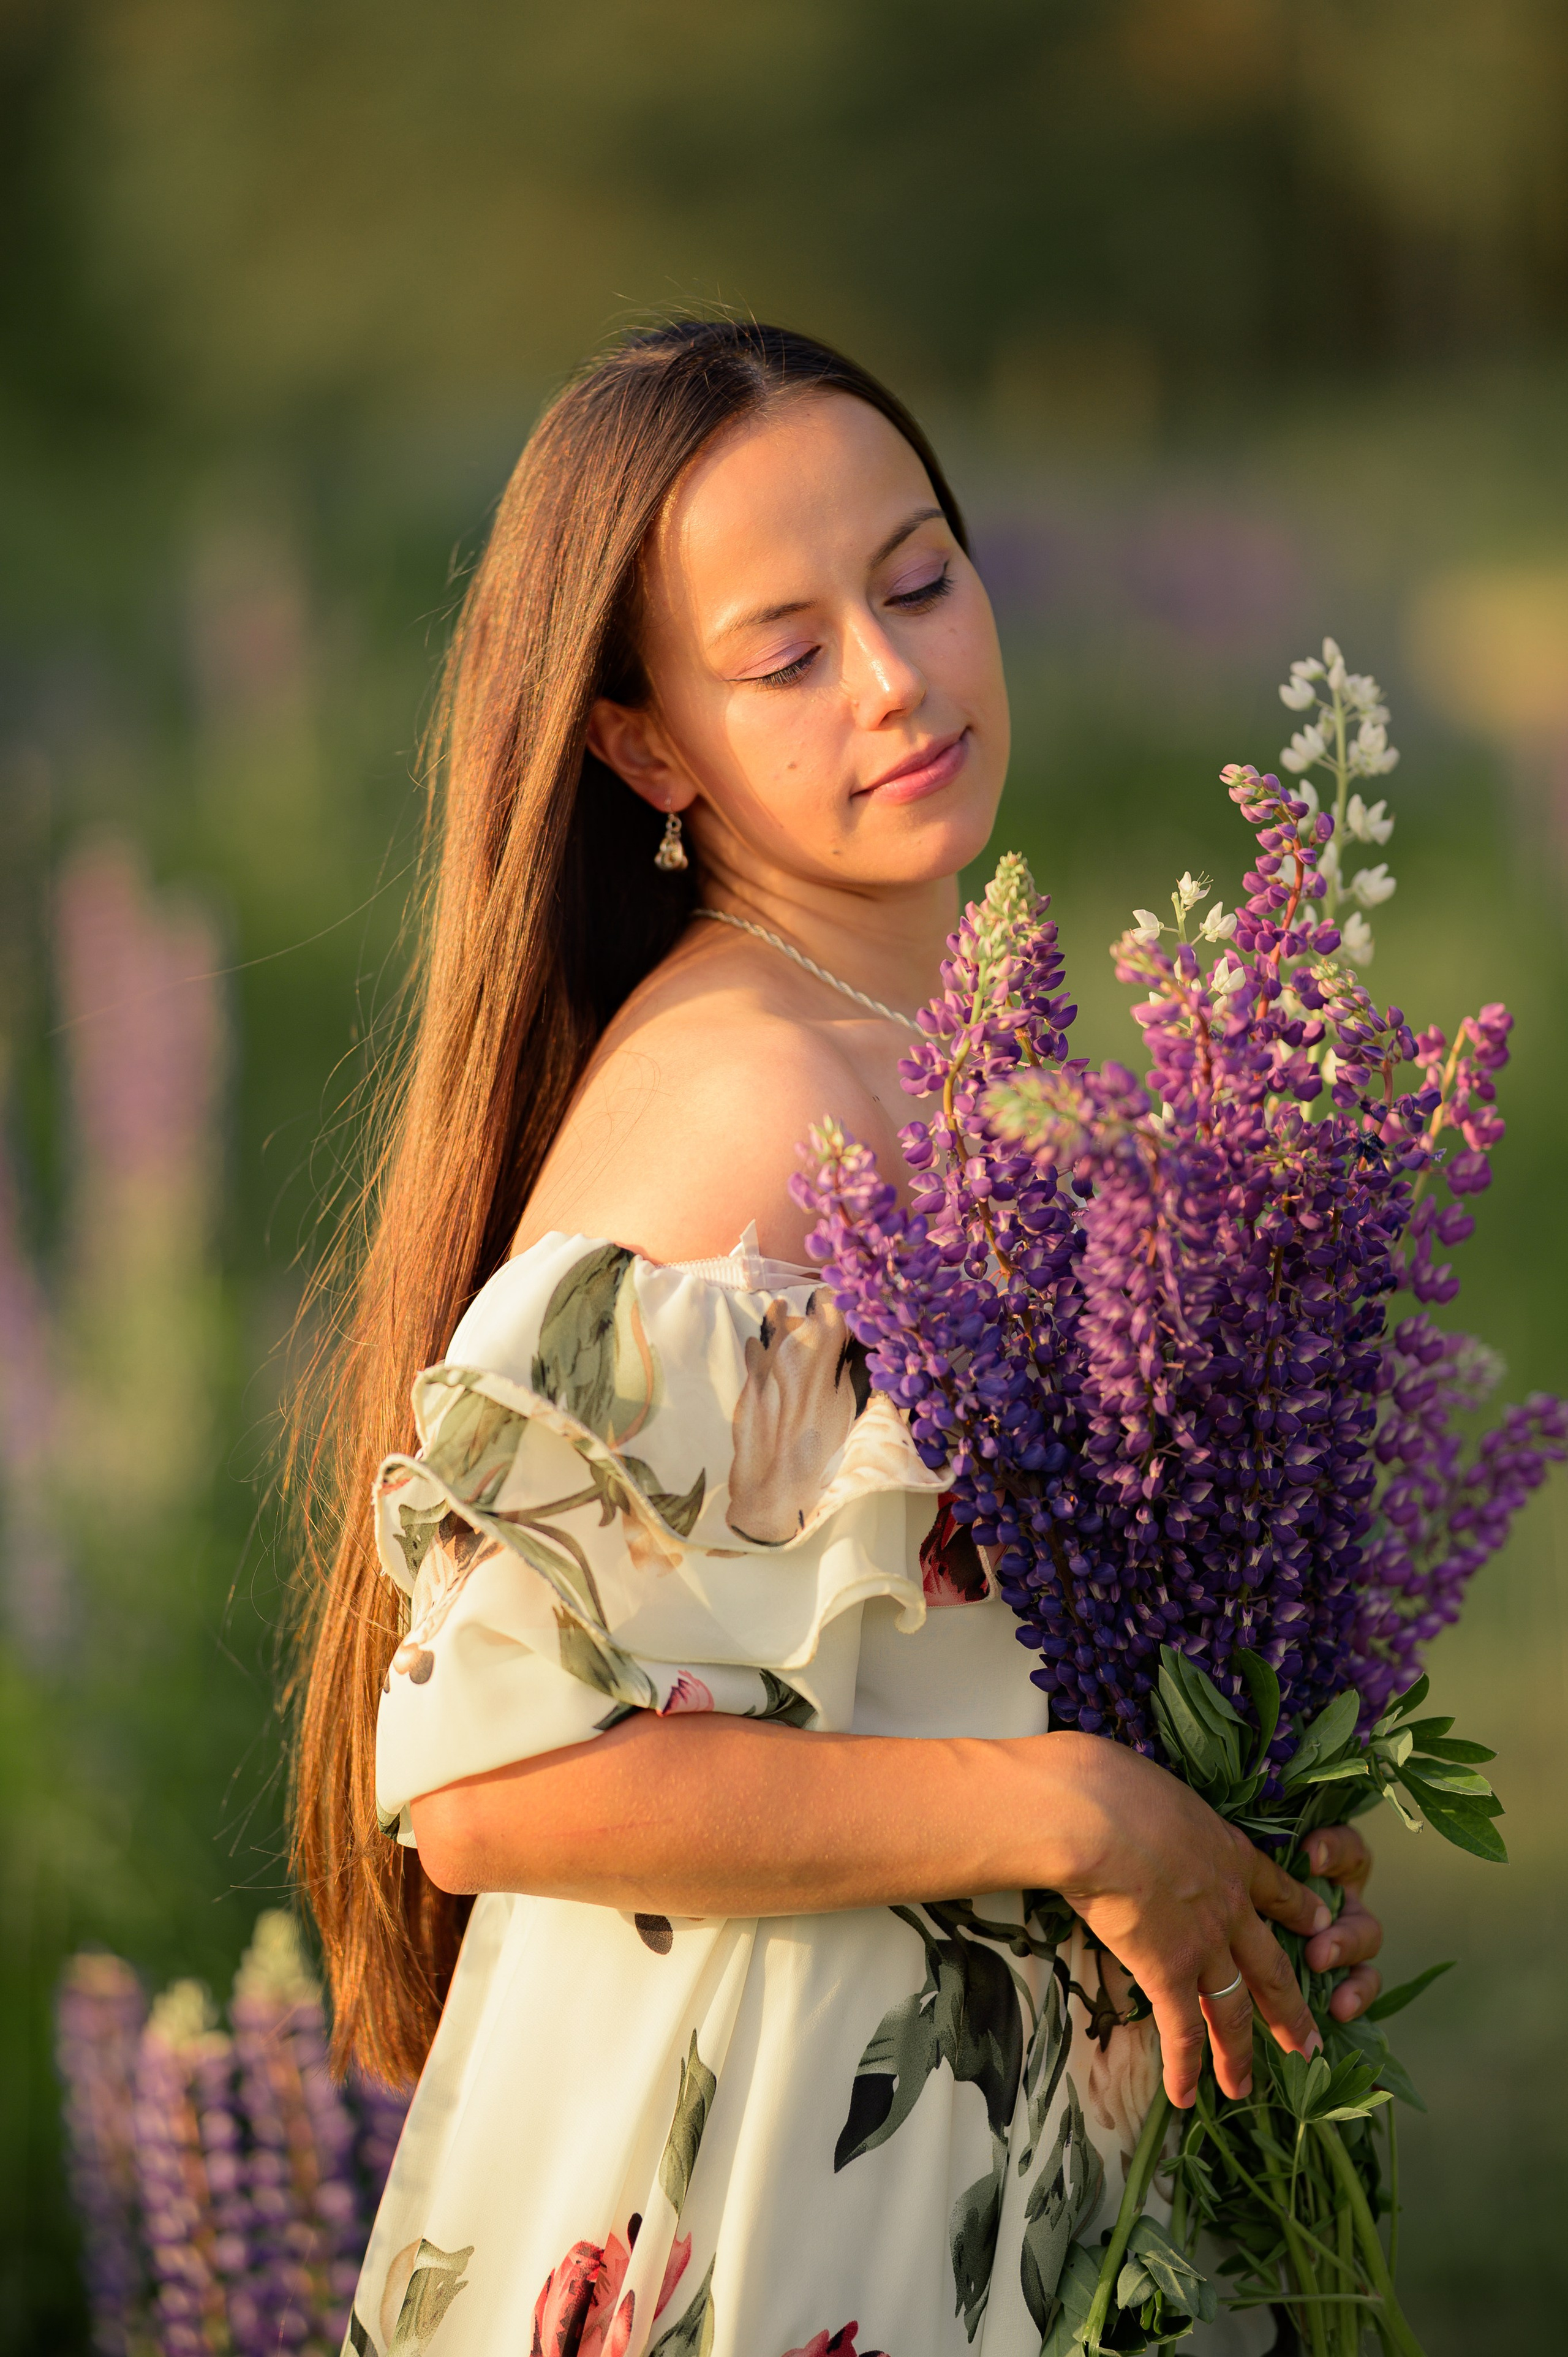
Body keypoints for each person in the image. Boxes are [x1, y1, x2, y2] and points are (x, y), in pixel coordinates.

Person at [295, 320, 1382, 2357]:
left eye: (918, 578)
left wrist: (1224, 1845)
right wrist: (1073, 1817)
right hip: (789, 2197)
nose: (897, 679)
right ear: (647, 745)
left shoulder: (940, 1050)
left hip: (1029, 2175)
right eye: (785, 653)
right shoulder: (742, 1110)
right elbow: (487, 1782)